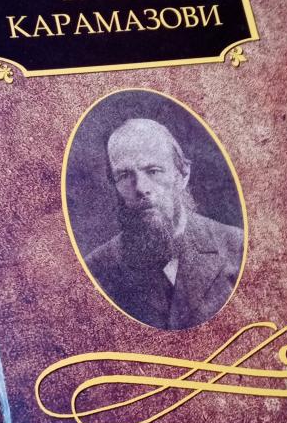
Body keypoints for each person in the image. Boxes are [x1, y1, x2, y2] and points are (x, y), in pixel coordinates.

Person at [84, 118, 243, 329]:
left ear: (182, 175)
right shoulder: (96, 270)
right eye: (124, 175)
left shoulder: (237, 247)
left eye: (153, 171)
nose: (141, 187)